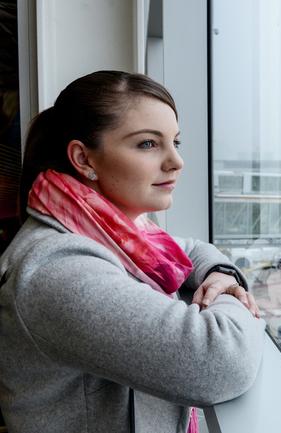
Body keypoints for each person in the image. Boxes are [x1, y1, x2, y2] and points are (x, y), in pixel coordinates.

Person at [0, 71, 265, 433]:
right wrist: (236, 298)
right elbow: (223, 361)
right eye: (147, 144)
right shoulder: (57, 269)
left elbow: (190, 250)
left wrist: (221, 274)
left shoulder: (116, 233)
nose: (176, 161)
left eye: (176, 141)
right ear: (84, 159)